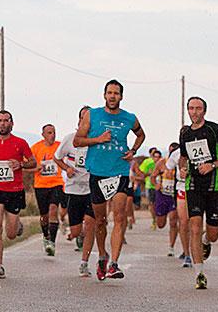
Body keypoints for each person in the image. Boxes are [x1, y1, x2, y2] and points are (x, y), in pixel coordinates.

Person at [74, 79, 145, 280]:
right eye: (110, 93)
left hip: (120, 171)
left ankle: (114, 263)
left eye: (116, 93)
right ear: (104, 95)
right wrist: (98, 140)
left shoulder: (129, 118)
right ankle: (102, 256)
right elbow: (78, 141)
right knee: (100, 221)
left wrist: (133, 150)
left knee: (119, 217)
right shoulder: (92, 115)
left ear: (121, 96)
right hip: (98, 172)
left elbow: (141, 135)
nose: (113, 96)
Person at [179, 97, 218, 289]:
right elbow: (183, 157)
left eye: (198, 108)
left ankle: (207, 240)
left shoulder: (214, 129)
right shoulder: (185, 133)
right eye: (191, 108)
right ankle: (199, 274)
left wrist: (212, 165)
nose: (194, 112)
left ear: (204, 111)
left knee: (213, 234)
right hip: (193, 185)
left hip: (215, 186)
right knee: (194, 226)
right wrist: (182, 169)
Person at [0, 110, 35, 278]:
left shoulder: (20, 143)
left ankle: (17, 225)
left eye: (6, 120)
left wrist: (21, 164)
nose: (3, 123)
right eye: (0, 120)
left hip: (14, 191)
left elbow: (33, 162)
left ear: (12, 123)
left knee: (11, 234)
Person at [54, 106, 96, 277]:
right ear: (79, 121)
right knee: (77, 231)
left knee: (91, 224)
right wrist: (67, 169)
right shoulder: (70, 139)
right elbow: (57, 158)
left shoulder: (97, 140)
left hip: (92, 189)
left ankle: (84, 263)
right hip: (74, 189)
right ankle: (78, 234)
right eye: (84, 118)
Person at [31, 124, 65, 256]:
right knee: (44, 216)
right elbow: (26, 166)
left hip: (57, 183)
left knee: (53, 210)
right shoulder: (36, 148)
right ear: (43, 135)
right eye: (49, 133)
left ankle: (52, 243)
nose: (53, 135)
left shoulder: (59, 146)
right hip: (40, 186)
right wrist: (36, 168)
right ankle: (46, 235)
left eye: (54, 132)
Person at [164, 142, 192, 267]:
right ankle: (187, 254)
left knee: (196, 222)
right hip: (182, 188)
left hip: (197, 188)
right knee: (184, 222)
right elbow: (168, 167)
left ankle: (199, 244)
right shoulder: (176, 153)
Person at [150, 143, 179, 256]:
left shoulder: (181, 162)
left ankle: (171, 247)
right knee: (161, 224)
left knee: (173, 220)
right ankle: (159, 218)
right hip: (162, 195)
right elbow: (153, 176)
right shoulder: (162, 162)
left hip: (174, 196)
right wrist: (156, 184)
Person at [139, 147, 161, 229]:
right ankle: (154, 219)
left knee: (158, 204)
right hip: (150, 186)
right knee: (151, 204)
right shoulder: (147, 162)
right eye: (154, 154)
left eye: (158, 156)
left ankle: (158, 218)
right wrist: (148, 173)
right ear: (150, 154)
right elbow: (141, 173)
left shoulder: (162, 163)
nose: (156, 158)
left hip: (160, 186)